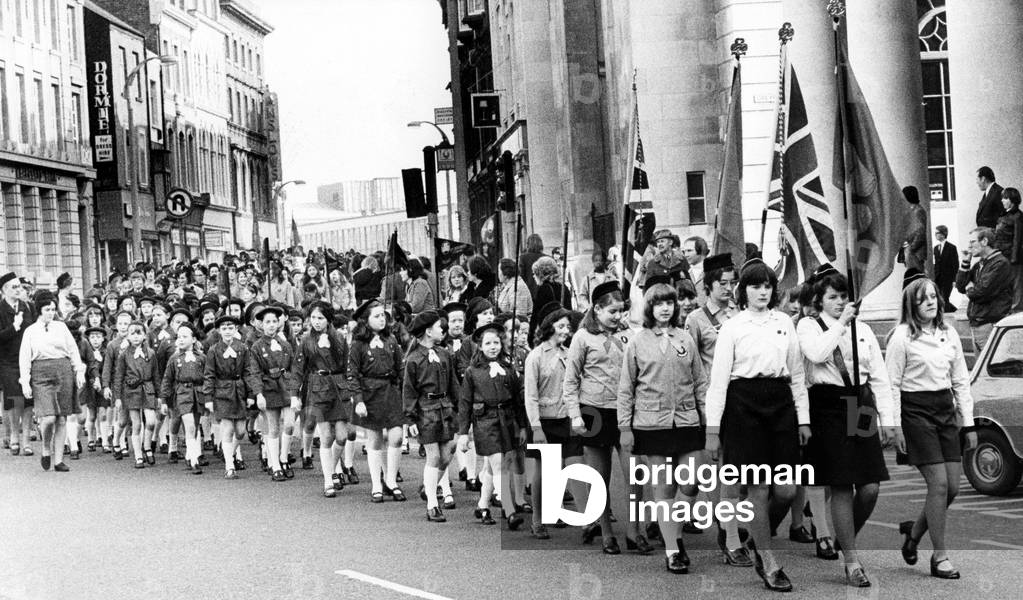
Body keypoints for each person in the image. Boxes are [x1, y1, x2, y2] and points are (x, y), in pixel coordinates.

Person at [704, 259, 810, 592]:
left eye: (766, 286)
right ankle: (769, 560)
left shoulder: (784, 322)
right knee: (758, 489)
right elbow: (718, 383)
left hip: (780, 404)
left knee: (787, 490)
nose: (762, 292)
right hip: (743, 405)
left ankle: (757, 535)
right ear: (743, 291)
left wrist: (803, 418)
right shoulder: (733, 327)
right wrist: (711, 431)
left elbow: (796, 374)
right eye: (755, 286)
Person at [796, 266, 895, 587]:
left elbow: (879, 376)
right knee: (840, 484)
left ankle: (844, 534)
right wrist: (840, 324)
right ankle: (851, 560)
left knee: (869, 487)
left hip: (860, 404)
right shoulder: (809, 327)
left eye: (844, 297)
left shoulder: (863, 329)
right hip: (828, 407)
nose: (840, 302)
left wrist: (889, 420)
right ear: (820, 300)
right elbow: (817, 353)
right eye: (833, 297)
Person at [887, 276, 976, 580]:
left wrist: (969, 423)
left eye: (934, 297)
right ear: (911, 303)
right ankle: (940, 557)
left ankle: (913, 535)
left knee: (951, 488)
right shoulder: (901, 336)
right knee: (937, 485)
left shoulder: (949, 333)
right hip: (916, 413)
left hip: (945, 411)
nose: (930, 302)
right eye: (922, 298)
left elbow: (961, 380)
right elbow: (892, 385)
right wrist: (895, 426)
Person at [618, 283, 707, 574]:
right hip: (650, 424)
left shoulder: (685, 339)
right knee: (664, 486)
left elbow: (700, 383)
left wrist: (709, 420)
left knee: (692, 480)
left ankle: (673, 529)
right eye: (659, 304)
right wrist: (625, 427)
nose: (665, 308)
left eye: (669, 303)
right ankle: (673, 548)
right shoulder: (637, 342)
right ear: (649, 309)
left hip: (686, 421)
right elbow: (626, 388)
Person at [563, 280, 644, 554]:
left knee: (634, 474)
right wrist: (575, 415)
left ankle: (634, 531)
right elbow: (570, 381)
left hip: (624, 412)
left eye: (621, 311)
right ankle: (606, 532)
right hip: (593, 412)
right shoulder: (582, 338)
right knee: (600, 476)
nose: (617, 316)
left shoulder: (630, 335)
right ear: (597, 309)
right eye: (612, 311)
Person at [457, 322, 527, 528]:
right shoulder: (472, 372)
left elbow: (517, 400)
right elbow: (465, 403)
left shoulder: (508, 368)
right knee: (499, 464)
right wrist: (463, 433)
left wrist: (522, 426)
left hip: (507, 420)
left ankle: (483, 506)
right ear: (480, 345)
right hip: (485, 422)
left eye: (496, 342)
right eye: (488, 343)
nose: (493, 346)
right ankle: (510, 510)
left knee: (491, 466)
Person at [524, 301, 583, 539]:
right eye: (561, 326)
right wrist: (536, 427)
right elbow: (530, 395)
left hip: (566, 419)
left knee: (570, 467)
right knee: (542, 473)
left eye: (568, 326)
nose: (566, 330)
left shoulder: (570, 355)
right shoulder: (535, 357)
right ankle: (538, 519)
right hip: (544, 422)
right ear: (549, 328)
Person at [18, 295, 86, 472]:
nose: (51, 313)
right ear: (39, 310)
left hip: (63, 371)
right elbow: (24, 358)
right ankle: (46, 448)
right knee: (48, 418)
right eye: (47, 309)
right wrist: (25, 382)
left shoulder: (61, 327)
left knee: (62, 418)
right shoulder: (30, 331)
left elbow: (73, 350)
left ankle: (58, 460)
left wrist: (78, 370)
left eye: (53, 309)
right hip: (40, 373)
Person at [403, 310, 460, 522]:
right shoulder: (414, 359)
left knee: (446, 456)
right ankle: (432, 505)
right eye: (438, 326)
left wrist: (461, 410)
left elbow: (454, 384)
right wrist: (409, 418)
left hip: (445, 407)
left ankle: (429, 484)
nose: (442, 329)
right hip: (425, 410)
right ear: (428, 331)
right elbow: (408, 390)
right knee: (434, 456)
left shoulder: (445, 354)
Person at [349, 299, 407, 502]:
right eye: (377, 316)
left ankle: (391, 480)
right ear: (366, 320)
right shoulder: (358, 345)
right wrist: (359, 401)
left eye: (383, 315)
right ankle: (376, 484)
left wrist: (406, 394)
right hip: (369, 393)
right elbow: (352, 374)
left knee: (397, 436)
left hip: (391, 392)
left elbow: (401, 369)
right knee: (374, 440)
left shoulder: (391, 341)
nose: (382, 319)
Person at [246, 306, 301, 483]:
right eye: (267, 322)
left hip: (285, 385)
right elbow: (254, 372)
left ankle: (284, 458)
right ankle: (275, 465)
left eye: (274, 321)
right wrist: (258, 394)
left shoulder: (286, 345)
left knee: (290, 424)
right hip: (268, 387)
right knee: (273, 427)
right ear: (261, 324)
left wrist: (294, 392)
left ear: (279, 323)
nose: (271, 325)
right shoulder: (256, 347)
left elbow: (294, 368)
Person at [202, 315, 251, 479]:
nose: (228, 331)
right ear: (219, 331)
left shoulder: (243, 348)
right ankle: (229, 465)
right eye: (224, 328)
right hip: (222, 392)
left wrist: (251, 393)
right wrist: (208, 397)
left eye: (231, 328)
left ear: (236, 329)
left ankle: (227, 449)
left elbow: (248, 372)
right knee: (228, 429)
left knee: (241, 431)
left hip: (240, 392)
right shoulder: (214, 350)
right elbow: (209, 374)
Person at [160, 322, 207, 475]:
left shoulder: (201, 357)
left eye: (185, 337)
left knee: (195, 424)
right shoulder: (174, 358)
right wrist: (164, 400)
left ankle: (190, 454)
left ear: (193, 339)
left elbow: (208, 377)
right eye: (178, 337)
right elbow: (167, 379)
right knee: (189, 425)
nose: (180, 340)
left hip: (198, 393)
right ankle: (194, 460)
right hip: (182, 392)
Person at [954, 227, 1012, 352]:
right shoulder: (980, 264)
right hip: (978, 325)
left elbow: (980, 293)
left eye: (972, 242)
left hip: (990, 325)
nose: (968, 246)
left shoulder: (1000, 263)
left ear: (984, 241)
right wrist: (965, 261)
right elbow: (959, 286)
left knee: (990, 369)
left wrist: (969, 287)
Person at [114, 321, 160, 468]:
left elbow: (156, 375)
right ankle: (138, 455)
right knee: (137, 424)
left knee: (151, 421)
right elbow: (119, 377)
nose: (135, 336)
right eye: (132, 333)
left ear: (144, 335)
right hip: (131, 390)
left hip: (148, 389)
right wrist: (118, 398)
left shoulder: (151, 353)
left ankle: (147, 447)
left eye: (139, 333)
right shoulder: (124, 355)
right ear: (127, 336)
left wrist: (159, 396)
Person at [1, 271, 37, 457]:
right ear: (4, 290)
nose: (18, 290)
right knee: (15, 399)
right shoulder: (0, 309)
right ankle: (14, 435)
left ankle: (26, 440)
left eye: (19, 287)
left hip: (28, 359)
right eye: (14, 287)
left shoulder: (28, 307)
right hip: (8, 360)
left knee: (29, 400)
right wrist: (13, 327)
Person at [528, 256, 570, 345]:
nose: (533, 276)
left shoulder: (543, 289)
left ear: (540, 273)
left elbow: (536, 315)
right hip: (564, 330)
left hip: (550, 333)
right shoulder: (564, 287)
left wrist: (531, 337)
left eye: (534, 273)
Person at [995, 187, 1023, 312]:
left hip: (1012, 257)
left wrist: (1014, 258)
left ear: (1012, 200)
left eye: (1005, 198)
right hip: (1003, 256)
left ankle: (1016, 311)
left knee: (1017, 286)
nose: (1002, 201)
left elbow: (1018, 238)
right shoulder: (1004, 215)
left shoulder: (1017, 216)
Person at [575, 248, 616, 312]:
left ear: (605, 261)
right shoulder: (587, 279)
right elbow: (582, 297)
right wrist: (588, 308)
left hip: (608, 312)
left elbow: (615, 295)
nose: (598, 263)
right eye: (596, 260)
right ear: (593, 262)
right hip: (593, 312)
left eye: (601, 260)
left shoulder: (611, 278)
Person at [900, 186, 929, 273]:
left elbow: (920, 233)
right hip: (911, 251)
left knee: (916, 277)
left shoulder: (918, 211)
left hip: (915, 252)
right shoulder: (912, 210)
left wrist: (911, 248)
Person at [933, 225, 959, 312]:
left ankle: (948, 313)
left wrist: (955, 279)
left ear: (943, 234)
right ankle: (951, 311)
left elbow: (955, 264)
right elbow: (935, 263)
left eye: (937, 233)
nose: (935, 235)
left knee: (945, 297)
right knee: (939, 297)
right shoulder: (935, 248)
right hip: (938, 277)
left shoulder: (952, 248)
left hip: (948, 278)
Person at [681, 237, 709, 305]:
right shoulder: (685, 274)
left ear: (701, 251)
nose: (686, 255)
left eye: (689, 251)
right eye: (684, 252)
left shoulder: (714, 271)